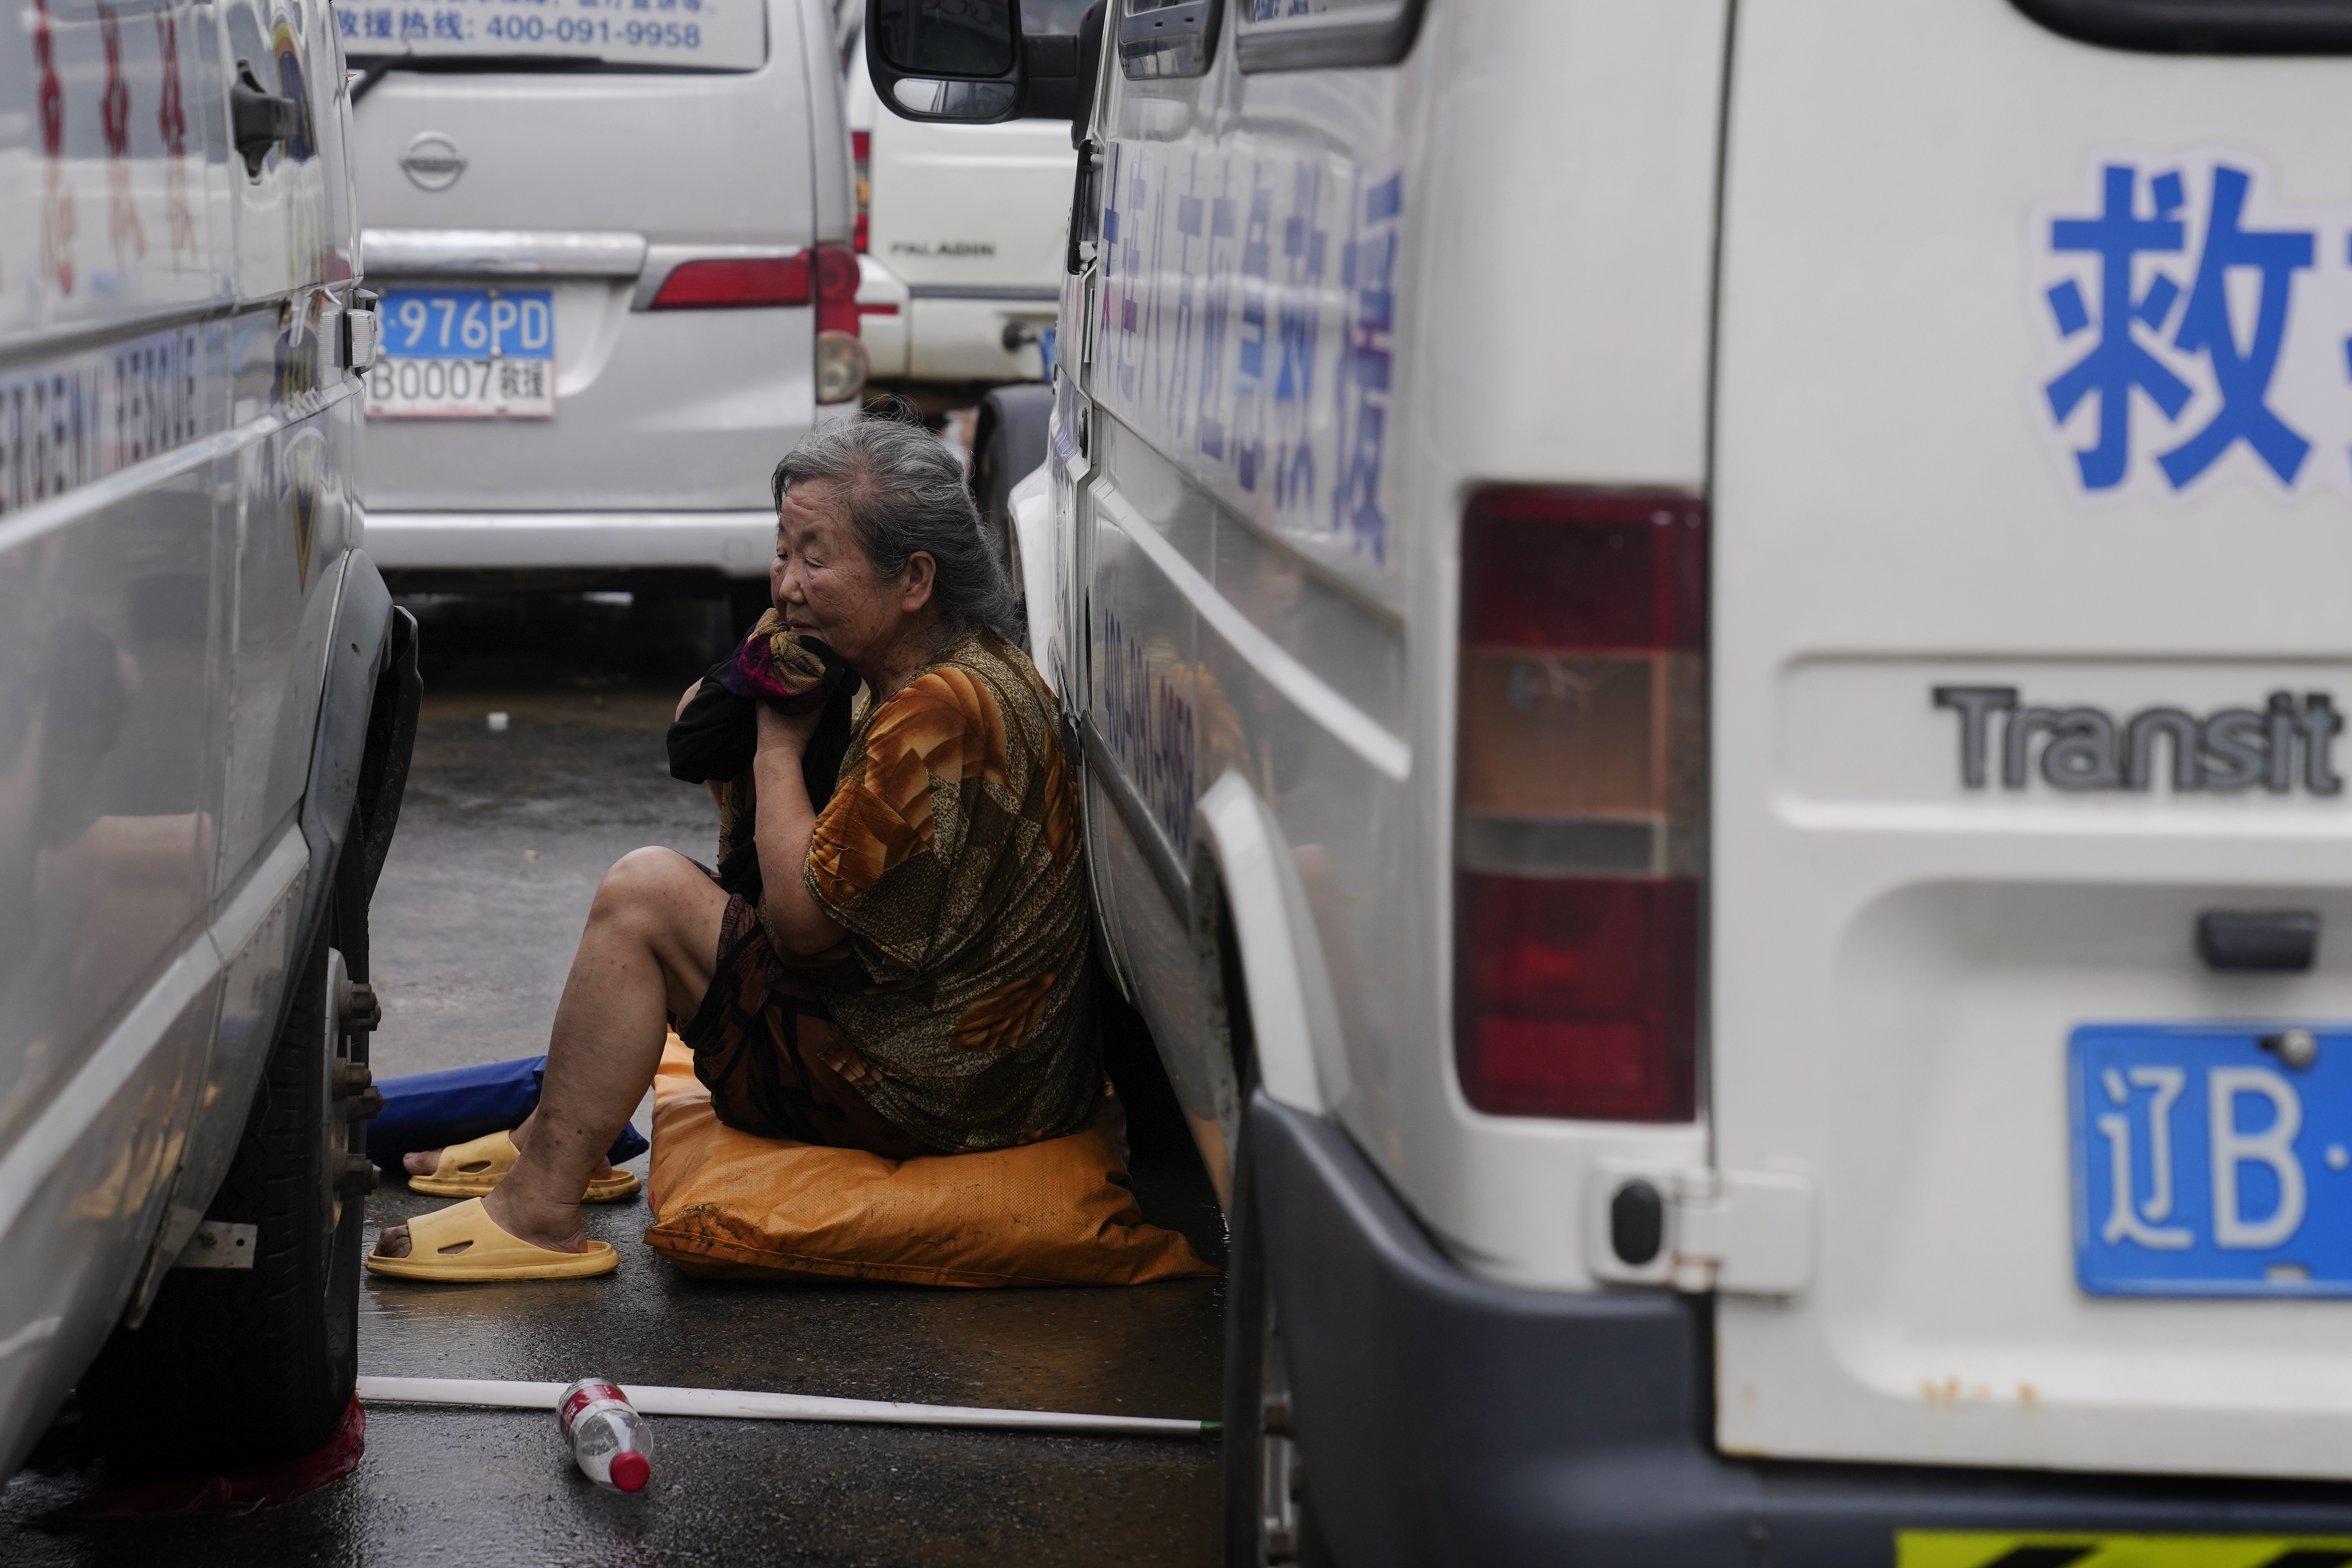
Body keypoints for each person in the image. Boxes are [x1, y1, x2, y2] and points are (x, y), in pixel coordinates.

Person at [370, 415, 1097, 1278]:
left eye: (816, 559)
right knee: (690, 872)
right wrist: (750, 699)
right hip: (970, 1066)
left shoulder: (940, 710)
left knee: (646, 897)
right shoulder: (929, 664)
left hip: (939, 1094)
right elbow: (697, 734)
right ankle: (554, 1140)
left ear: (914, 579)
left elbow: (801, 930)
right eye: (782, 551)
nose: (786, 585)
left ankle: (540, 1209)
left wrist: (778, 746)